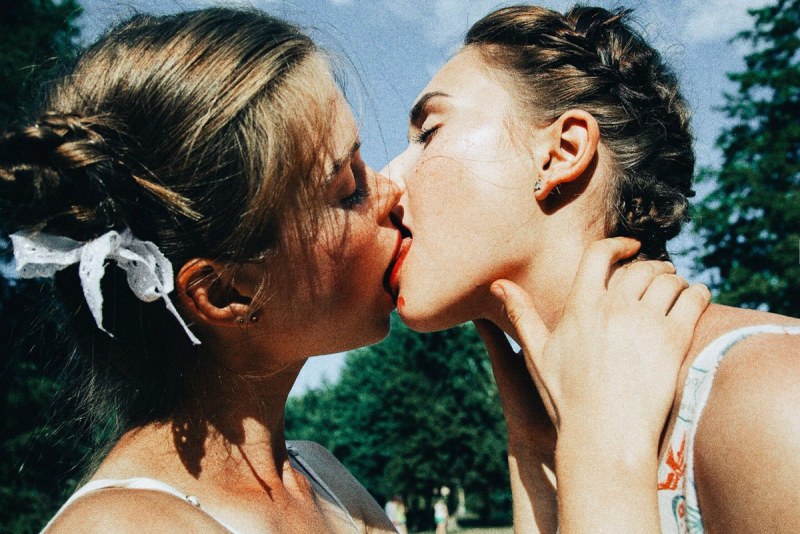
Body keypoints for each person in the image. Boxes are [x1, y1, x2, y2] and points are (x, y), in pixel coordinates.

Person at [0, 7, 707, 534]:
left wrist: (534, 446)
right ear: (226, 290)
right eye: (347, 187)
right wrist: (603, 453)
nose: (394, 189)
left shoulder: (319, 477)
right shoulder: (129, 529)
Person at [385, 4, 800, 533]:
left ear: (562, 151)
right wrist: (537, 458)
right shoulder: (551, 430)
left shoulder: (771, 400)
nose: (387, 179)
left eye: (429, 131)